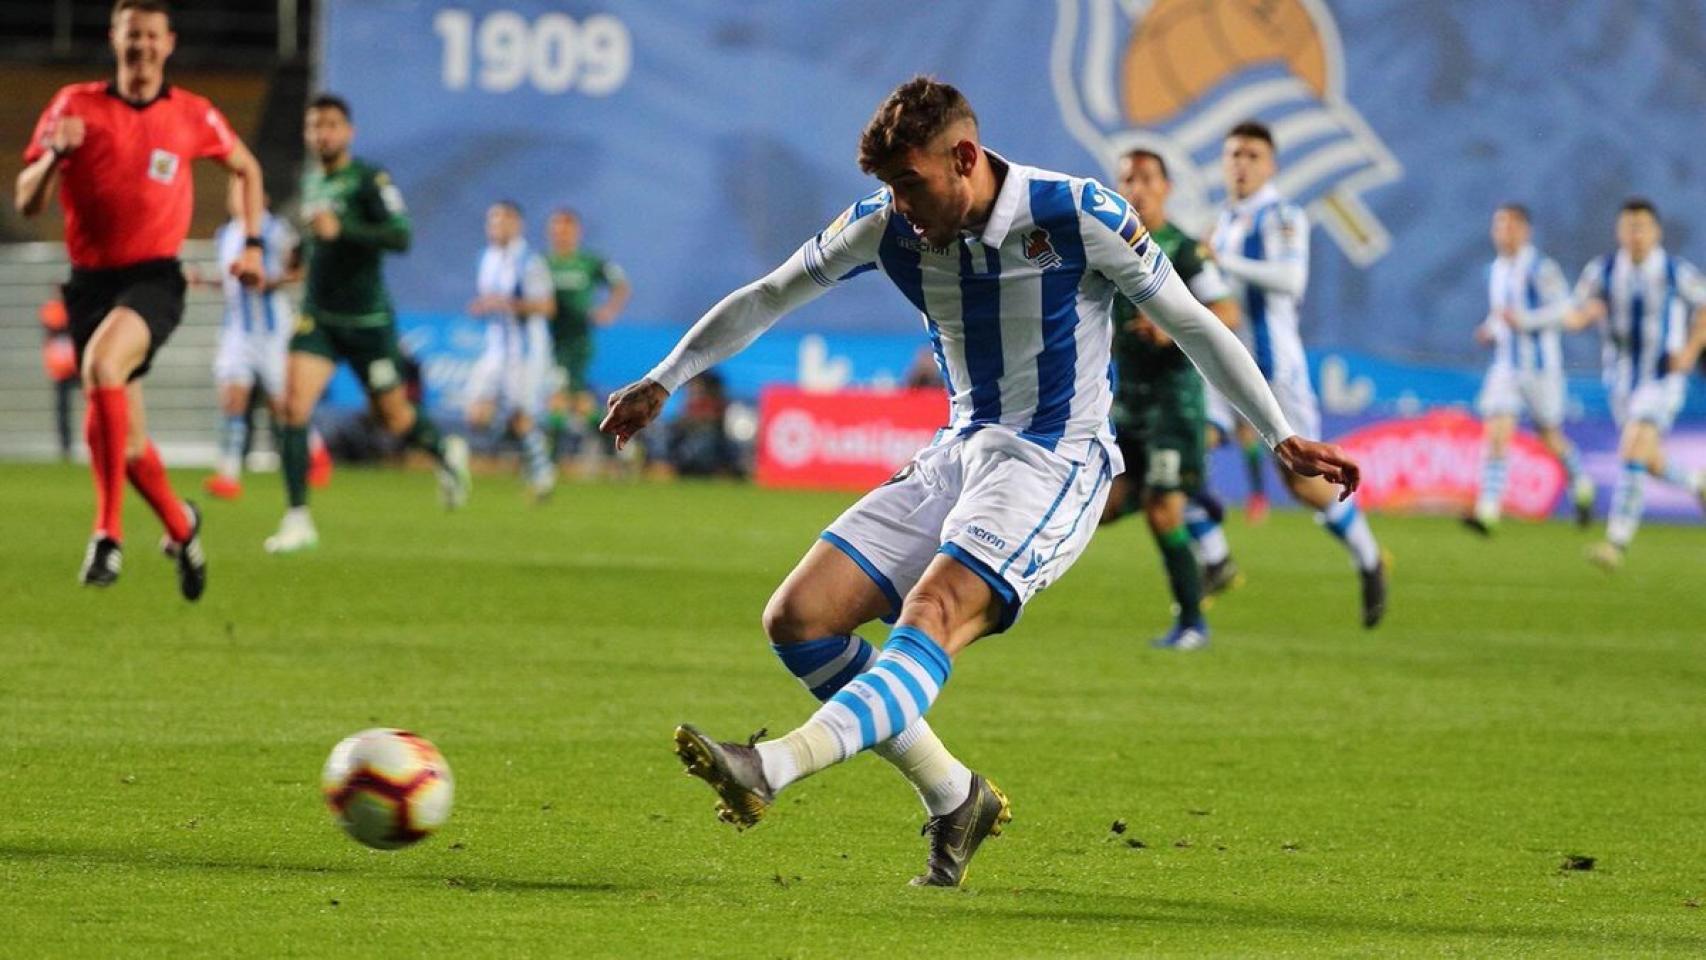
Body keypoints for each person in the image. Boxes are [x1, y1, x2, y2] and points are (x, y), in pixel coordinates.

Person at [599, 78, 1358, 887]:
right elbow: (770, 295)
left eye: (911, 183)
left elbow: (1194, 322)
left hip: (1056, 462)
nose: (900, 205)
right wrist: (666, 377)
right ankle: (955, 796)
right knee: (800, 621)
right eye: (888, 187)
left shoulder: (1078, 214)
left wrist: (1278, 434)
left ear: (964, 157)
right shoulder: (886, 225)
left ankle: (773, 767)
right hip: (959, 450)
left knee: (931, 614)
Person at [15, 0, 267, 599]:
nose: (142, 46)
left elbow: (247, 169)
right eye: (133, 35)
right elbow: (28, 202)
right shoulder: (74, 106)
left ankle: (107, 533)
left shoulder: (191, 114)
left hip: (154, 278)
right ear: (115, 39)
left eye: (152, 36)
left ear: (169, 43)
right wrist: (55, 153)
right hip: (89, 284)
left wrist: (252, 244)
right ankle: (182, 526)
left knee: (102, 365)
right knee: (123, 442)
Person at [1200, 120, 1388, 628]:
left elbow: (1290, 278)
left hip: (1274, 367)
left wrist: (1226, 261)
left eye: (1252, 155)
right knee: (1189, 449)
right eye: (1234, 154)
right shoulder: (1224, 222)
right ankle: (1215, 559)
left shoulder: (1282, 215)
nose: (1241, 164)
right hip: (1222, 364)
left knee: (1305, 485)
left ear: (1272, 165)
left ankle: (1370, 559)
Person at [264, 93, 470, 554]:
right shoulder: (312, 180)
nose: (323, 134)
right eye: (315, 126)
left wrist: (347, 231)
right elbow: (315, 244)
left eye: (332, 125)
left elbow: (401, 235)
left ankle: (444, 453)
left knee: (393, 417)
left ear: (349, 132)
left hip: (367, 320)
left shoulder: (369, 179)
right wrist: (288, 268)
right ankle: (298, 518)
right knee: (292, 407)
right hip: (318, 317)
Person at [1098, 148, 1240, 651]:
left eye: (1146, 178)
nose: (1135, 188)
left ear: (1166, 187)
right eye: (1126, 178)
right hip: (1124, 403)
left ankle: (1192, 623)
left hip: (1172, 403)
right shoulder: (1109, 245)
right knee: (1104, 507)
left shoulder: (1183, 250)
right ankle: (1196, 500)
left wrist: (1170, 327)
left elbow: (1226, 312)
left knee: (1163, 511)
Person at [1568, 198, 1706, 569]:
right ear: (1619, 232)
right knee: (1647, 458)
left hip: (1662, 379)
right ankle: (1697, 484)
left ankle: (1616, 543)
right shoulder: (1604, 271)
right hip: (1620, 383)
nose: (1636, 234)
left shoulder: (1676, 272)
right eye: (1629, 227)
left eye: (1642, 227)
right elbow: (1577, 311)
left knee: (1631, 449)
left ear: (1656, 231)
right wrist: (1585, 315)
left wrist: (1691, 351)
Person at [193, 179, 331, 500]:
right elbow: (232, 284)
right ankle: (228, 475)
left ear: (261, 197)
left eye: (243, 192)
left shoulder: (276, 230)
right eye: (232, 192)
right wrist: (206, 281)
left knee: (282, 405)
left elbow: (299, 270)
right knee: (232, 399)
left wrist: (269, 281)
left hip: (272, 333)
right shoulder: (225, 235)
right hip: (236, 332)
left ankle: (317, 454)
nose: (237, 199)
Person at [1462, 204, 1595, 534]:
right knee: (1497, 433)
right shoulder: (1494, 270)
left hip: (1541, 369)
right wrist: (1489, 329)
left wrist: (1526, 321)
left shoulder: (1540, 267)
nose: (1502, 232)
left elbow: (1565, 308)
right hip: (1506, 366)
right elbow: (1500, 314)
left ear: (1524, 230)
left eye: (1508, 226)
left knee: (1550, 436)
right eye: (1498, 225)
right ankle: (1488, 509)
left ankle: (1580, 482)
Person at [465, 200, 557, 500]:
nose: (497, 227)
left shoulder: (529, 261)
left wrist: (504, 303)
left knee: (522, 414)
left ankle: (543, 472)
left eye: (504, 220)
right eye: (492, 221)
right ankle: (534, 454)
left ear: (518, 224)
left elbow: (547, 306)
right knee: (476, 414)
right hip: (496, 348)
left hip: (525, 349)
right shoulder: (486, 257)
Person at [545, 208, 629, 458]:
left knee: (560, 399)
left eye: (566, 229)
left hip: (578, 341)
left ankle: (547, 462)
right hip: (549, 340)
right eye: (557, 230)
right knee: (579, 403)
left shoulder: (589, 262)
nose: (561, 235)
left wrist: (608, 311)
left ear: (577, 232)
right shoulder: (541, 263)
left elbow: (621, 284)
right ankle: (622, 444)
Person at [38, 299, 78, 460]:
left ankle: (101, 442)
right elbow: (54, 327)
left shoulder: (77, 305)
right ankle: (65, 446)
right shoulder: (52, 309)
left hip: (79, 365)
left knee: (97, 405)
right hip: (61, 367)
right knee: (63, 410)